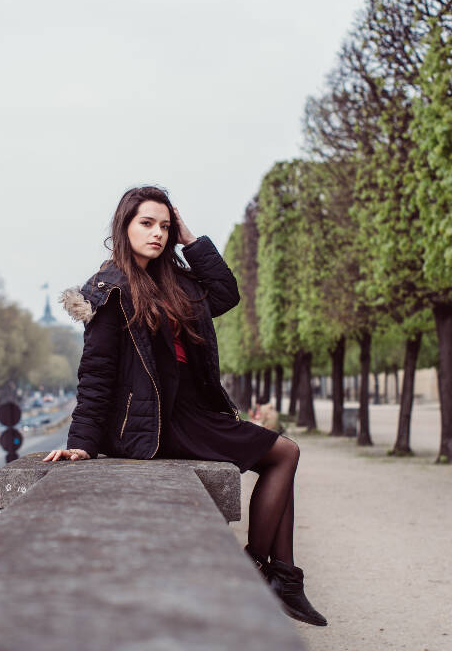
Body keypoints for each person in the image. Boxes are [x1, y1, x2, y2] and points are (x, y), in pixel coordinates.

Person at [44, 185, 327, 627]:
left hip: (192, 411)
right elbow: (96, 375)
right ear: (125, 226)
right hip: (155, 422)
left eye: (164, 225)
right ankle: (268, 572)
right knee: (285, 452)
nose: (157, 233)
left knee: (282, 456)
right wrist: (81, 442)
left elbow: (226, 293)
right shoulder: (109, 290)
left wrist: (190, 240)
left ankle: (282, 577)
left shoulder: (174, 282)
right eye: (146, 223)